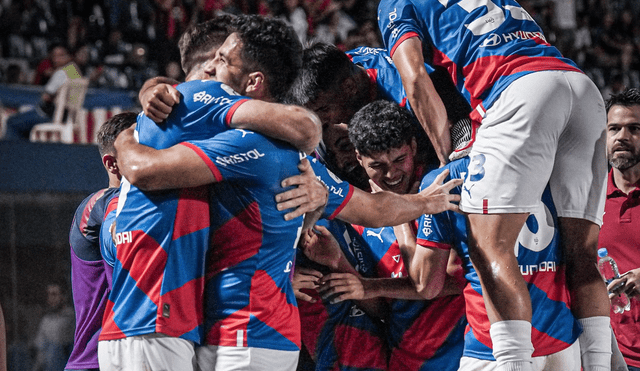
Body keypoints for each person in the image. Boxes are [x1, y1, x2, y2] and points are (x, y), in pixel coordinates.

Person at [376, 1, 611, 370]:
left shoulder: (397, 3)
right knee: (583, 253)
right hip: (580, 86)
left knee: (490, 248)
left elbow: (415, 78)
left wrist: (445, 159)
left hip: (516, 90)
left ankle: (512, 363)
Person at [98, 15, 324, 371]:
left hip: (239, 333)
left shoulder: (245, 138)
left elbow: (307, 126)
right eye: (216, 56)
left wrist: (125, 138)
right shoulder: (260, 141)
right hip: (193, 324)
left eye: (223, 59)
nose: (213, 67)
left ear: (252, 81)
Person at [349, 100, 581, 370]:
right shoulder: (551, 167)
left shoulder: (444, 184)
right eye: (377, 165)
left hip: (487, 342)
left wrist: (395, 215)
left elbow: (433, 284)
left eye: (399, 160)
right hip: (557, 335)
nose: (390, 173)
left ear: (414, 147)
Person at [287, 42, 472, 189]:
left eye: (323, 110)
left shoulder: (411, 96)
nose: (321, 121)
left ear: (350, 88)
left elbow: (458, 133)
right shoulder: (340, 68)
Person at [64, 112, 136, 371]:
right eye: (138, 146)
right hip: (95, 364)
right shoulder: (103, 203)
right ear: (112, 163)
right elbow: (115, 220)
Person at [599, 87, 640, 371]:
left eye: (634, 128)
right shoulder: (586, 198)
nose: (622, 137)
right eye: (614, 128)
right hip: (607, 355)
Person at [4, 44, 82, 140]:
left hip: (49, 115)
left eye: (61, 55)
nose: (56, 59)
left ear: (69, 56)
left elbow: (46, 97)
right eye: (54, 56)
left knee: (11, 122)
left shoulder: (61, 73)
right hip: (67, 116)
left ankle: (14, 152)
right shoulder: (76, 71)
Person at [33, 282, 75, 371]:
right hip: (48, 366)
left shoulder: (72, 317)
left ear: (64, 296)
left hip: (67, 364)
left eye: (54, 294)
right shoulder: (46, 320)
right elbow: (40, 351)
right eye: (48, 295)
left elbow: (63, 342)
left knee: (54, 348)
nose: (50, 298)